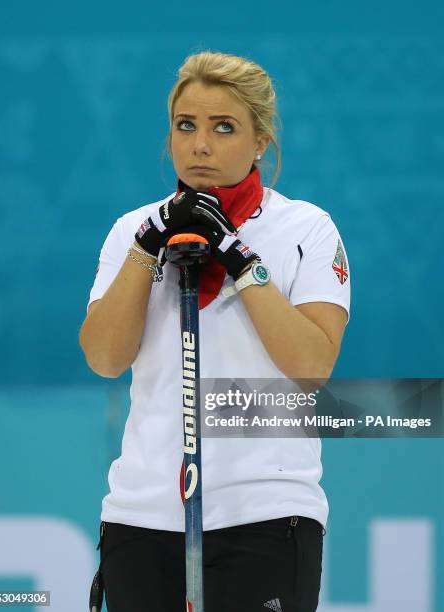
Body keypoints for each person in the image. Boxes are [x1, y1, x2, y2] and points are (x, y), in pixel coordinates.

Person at [79, 50, 350, 612]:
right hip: (141, 516)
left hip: (265, 515)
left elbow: (311, 368)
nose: (200, 144)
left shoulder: (306, 228)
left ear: (259, 142)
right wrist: (146, 247)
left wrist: (238, 256)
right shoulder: (133, 230)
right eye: (186, 126)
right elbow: (105, 356)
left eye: (223, 127)